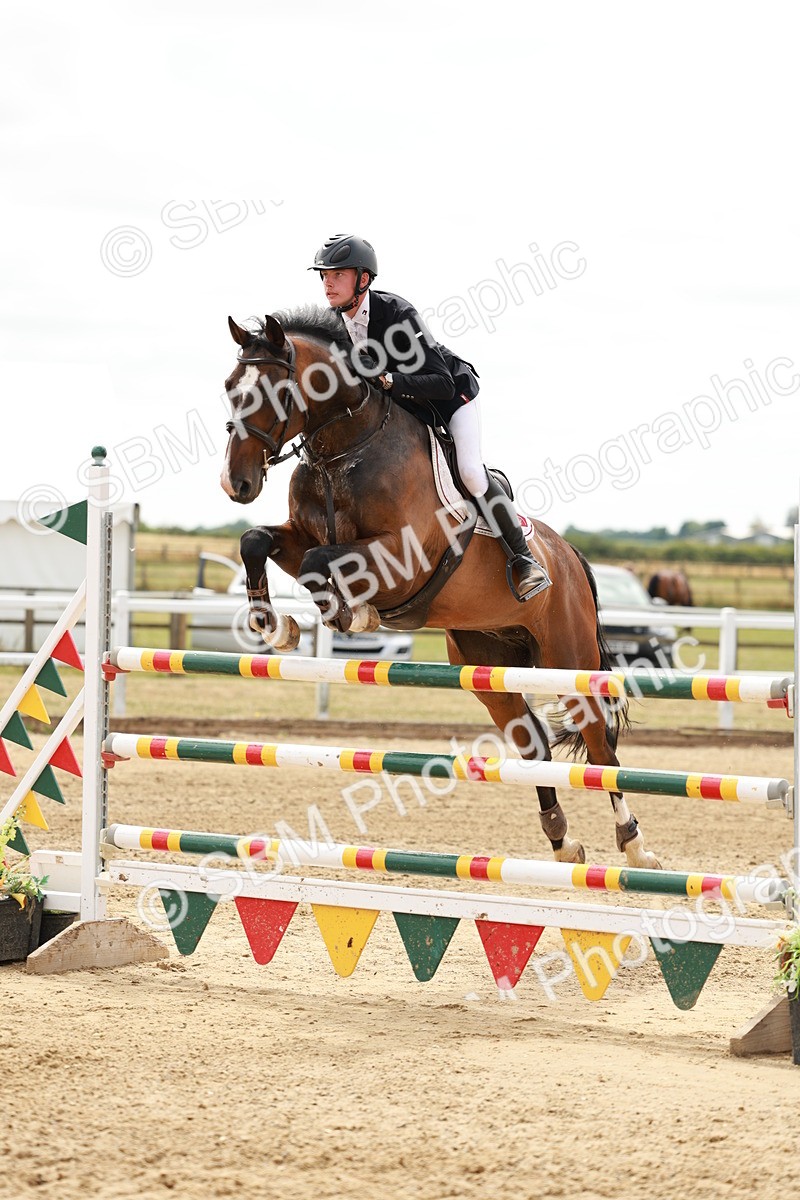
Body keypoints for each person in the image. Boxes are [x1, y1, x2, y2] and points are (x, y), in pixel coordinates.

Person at [308, 233, 552, 601]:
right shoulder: (334, 326)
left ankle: (523, 559)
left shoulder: (398, 315)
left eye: (338, 274)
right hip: (406, 411)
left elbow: (439, 381)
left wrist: (388, 380)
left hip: (452, 397)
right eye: (324, 275)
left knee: (470, 471)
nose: (328, 282)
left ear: (363, 279)